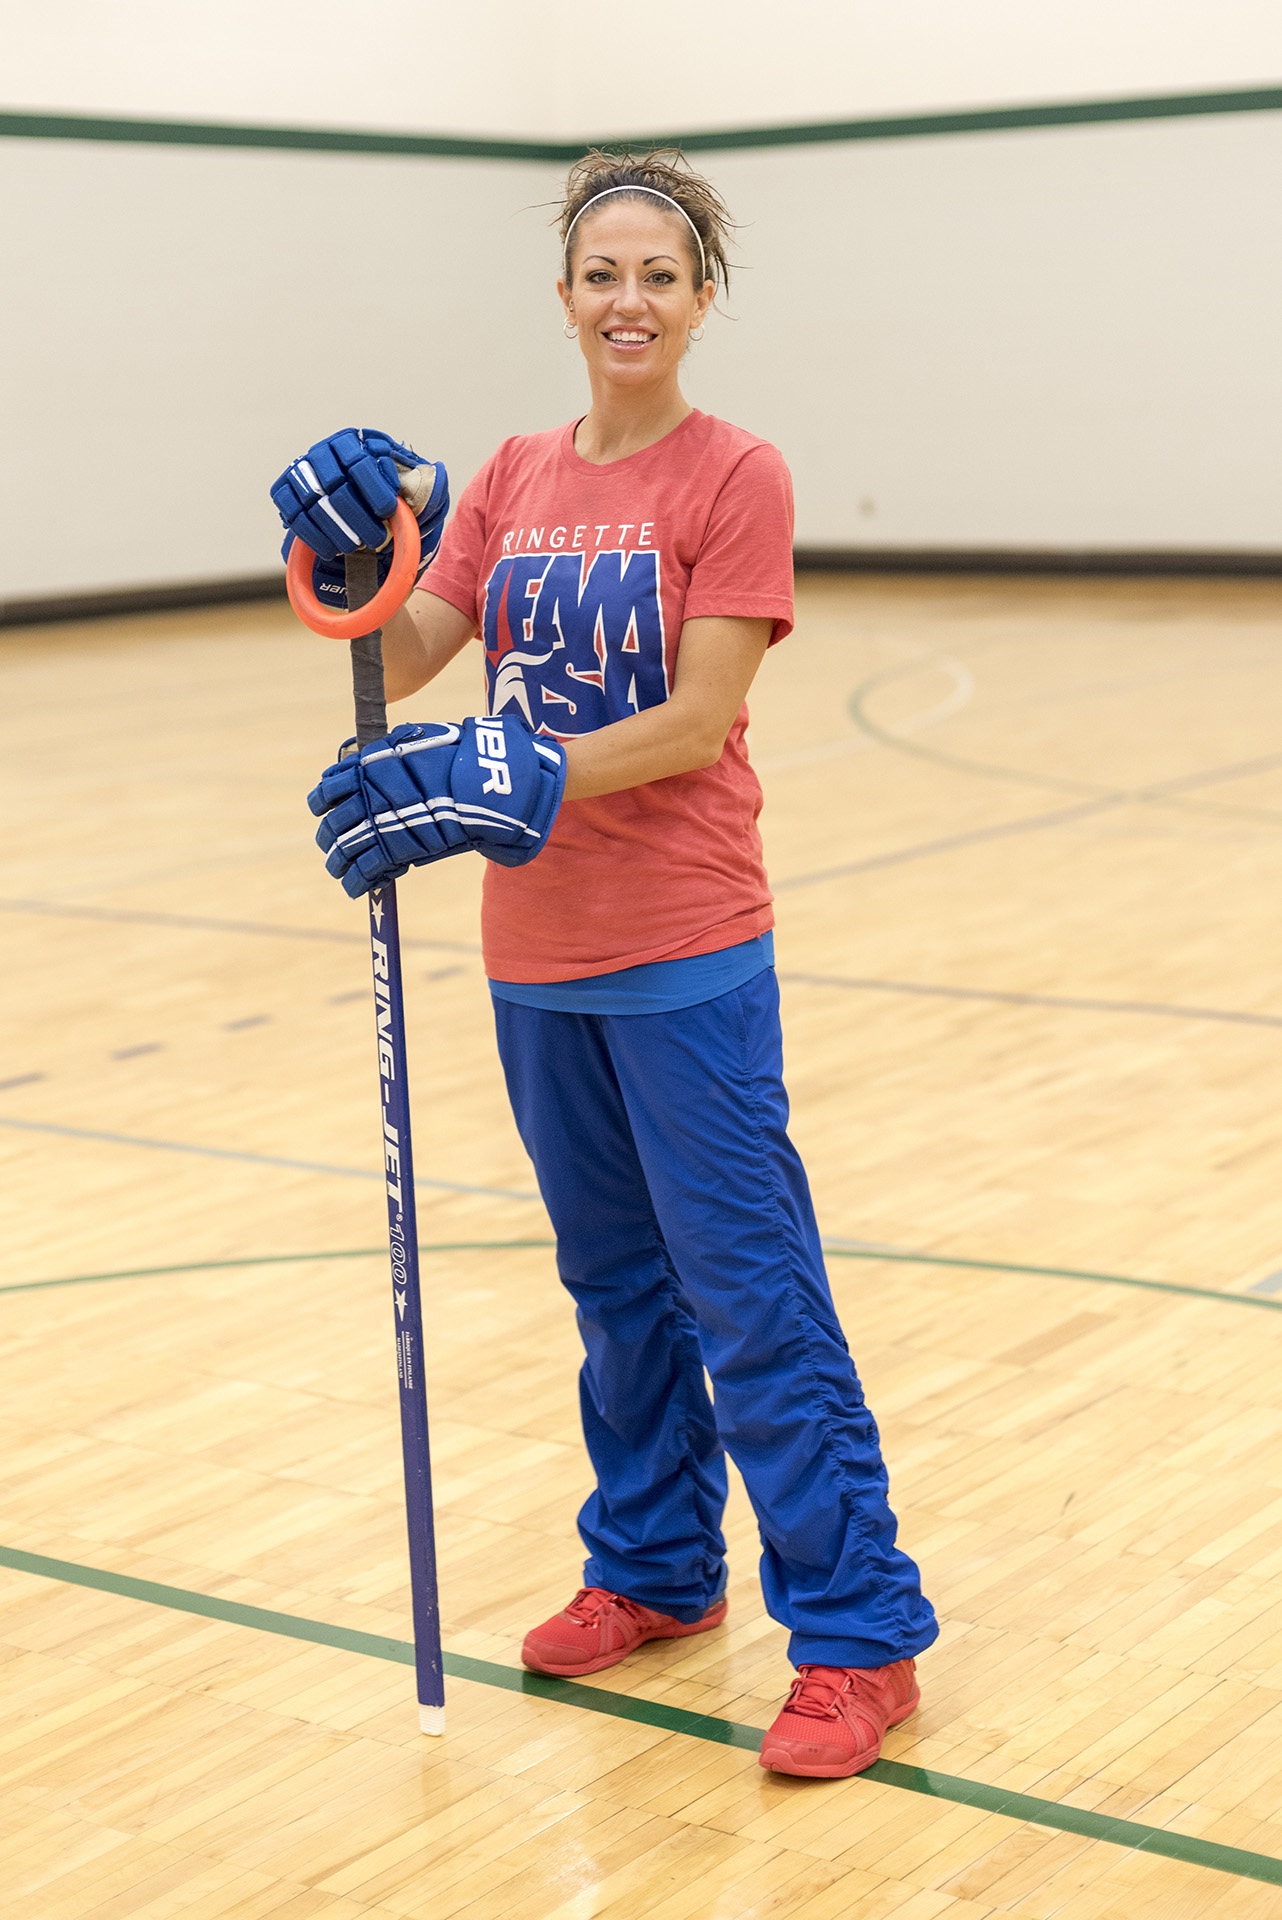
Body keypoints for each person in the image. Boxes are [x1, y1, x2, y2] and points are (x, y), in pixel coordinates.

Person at [274, 149, 938, 1779]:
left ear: (701, 300)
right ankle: (652, 1567)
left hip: (687, 952)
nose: (626, 300)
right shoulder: (507, 474)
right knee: (612, 1292)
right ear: (564, 298)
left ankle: (856, 1635)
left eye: (658, 275)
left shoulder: (735, 476)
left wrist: (520, 774)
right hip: (534, 958)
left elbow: (701, 719)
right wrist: (358, 546)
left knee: (751, 1301)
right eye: (600, 275)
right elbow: (409, 650)